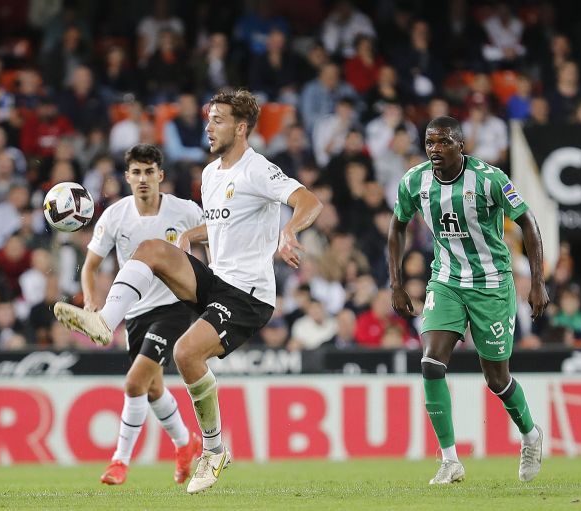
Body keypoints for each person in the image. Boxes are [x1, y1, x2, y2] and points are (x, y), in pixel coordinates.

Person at [54, 90, 322, 494]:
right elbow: (220, 227)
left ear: (241, 127)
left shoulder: (258, 170)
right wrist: (189, 237)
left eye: (218, 120)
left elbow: (309, 200)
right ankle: (104, 320)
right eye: (208, 118)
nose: (208, 126)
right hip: (217, 279)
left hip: (248, 294)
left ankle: (213, 451)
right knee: (151, 249)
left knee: (185, 353)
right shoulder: (213, 174)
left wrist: (289, 230)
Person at [388, 116, 548, 485]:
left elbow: (528, 223)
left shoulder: (490, 179)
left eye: (443, 142)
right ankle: (449, 460)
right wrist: (396, 283)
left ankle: (530, 434)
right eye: (429, 143)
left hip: (491, 285)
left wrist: (537, 282)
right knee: (430, 362)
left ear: (461, 145)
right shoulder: (415, 181)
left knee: (497, 379)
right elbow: (397, 226)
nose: (434, 150)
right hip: (446, 280)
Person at [79, 144, 203, 485]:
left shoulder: (183, 210)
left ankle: (119, 461)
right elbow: (90, 267)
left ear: (160, 175)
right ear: (127, 177)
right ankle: (185, 444)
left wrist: (195, 244)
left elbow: (217, 232)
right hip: (135, 314)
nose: (143, 178)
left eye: (149, 172)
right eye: (136, 172)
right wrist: (91, 302)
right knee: (151, 389)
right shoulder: (115, 216)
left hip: (174, 307)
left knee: (135, 382)